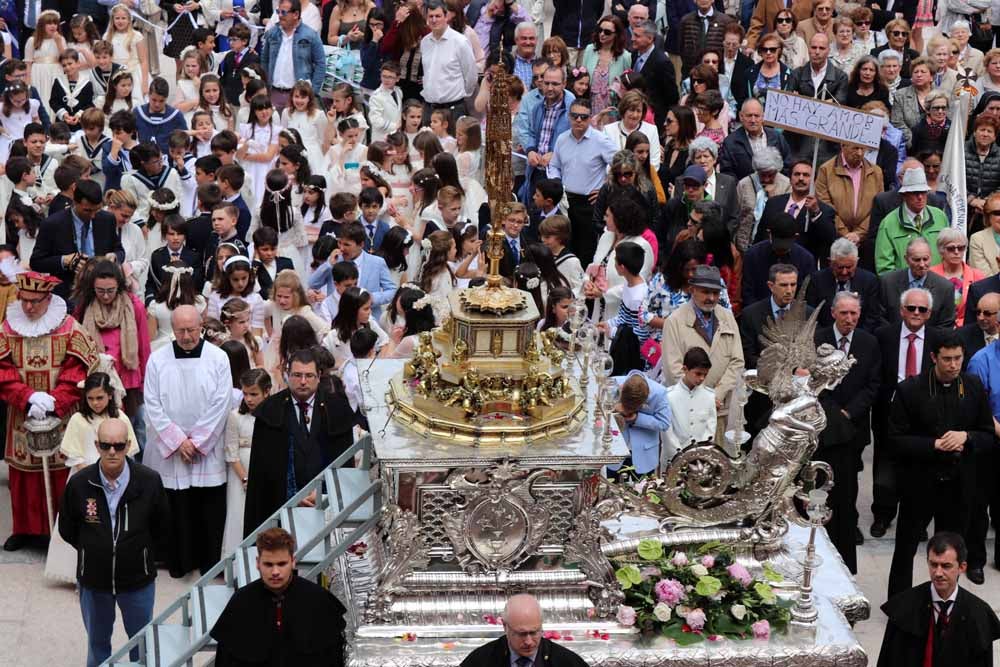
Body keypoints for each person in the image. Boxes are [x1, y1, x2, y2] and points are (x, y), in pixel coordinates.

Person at [886, 334, 995, 597]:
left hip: (959, 485)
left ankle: (946, 601)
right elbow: (895, 440)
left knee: (951, 550)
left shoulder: (973, 386)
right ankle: (899, 602)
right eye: (947, 359)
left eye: (958, 358)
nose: (954, 365)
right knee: (906, 547)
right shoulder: (910, 390)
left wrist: (966, 437)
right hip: (920, 483)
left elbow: (988, 434)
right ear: (934, 357)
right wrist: (934, 444)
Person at [58, 417, 169, 667]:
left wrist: (139, 553)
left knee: (141, 646)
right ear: (96, 445)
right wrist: (94, 549)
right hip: (94, 582)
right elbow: (67, 527)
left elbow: (162, 527)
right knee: (97, 646)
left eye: (118, 446)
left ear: (128, 445)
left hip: (137, 581)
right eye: (106, 445)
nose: (112, 452)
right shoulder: (80, 484)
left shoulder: (149, 481)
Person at [0, 272, 97, 552]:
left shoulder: (70, 328)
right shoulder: (7, 328)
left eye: (35, 301)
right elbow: (2, 370)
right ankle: (25, 530)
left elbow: (80, 370)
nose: (28, 307)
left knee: (61, 474)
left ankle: (60, 532)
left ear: (48, 298)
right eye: (24, 300)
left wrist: (56, 400)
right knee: (23, 475)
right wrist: (27, 397)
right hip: (22, 415)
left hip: (61, 416)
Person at [142, 304, 232, 577]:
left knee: (208, 507)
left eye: (191, 330)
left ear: (201, 327)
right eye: (180, 331)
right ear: (173, 329)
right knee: (176, 508)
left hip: (206, 449)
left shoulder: (218, 358)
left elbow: (222, 402)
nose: (186, 336)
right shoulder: (158, 359)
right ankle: (179, 562)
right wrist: (178, 441)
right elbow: (152, 404)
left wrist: (198, 441)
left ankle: (209, 563)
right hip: (173, 450)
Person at [243, 348, 355, 535]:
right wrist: (292, 495)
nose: (303, 381)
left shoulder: (337, 409)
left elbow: (346, 465)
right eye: (297, 375)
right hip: (281, 509)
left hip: (327, 507)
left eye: (309, 375)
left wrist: (324, 492)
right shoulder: (269, 411)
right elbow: (261, 473)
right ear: (287, 375)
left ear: (319, 376)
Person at [211, 527, 348, 666]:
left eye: (282, 564)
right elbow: (225, 660)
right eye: (268, 564)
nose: (275, 572)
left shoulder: (318, 600)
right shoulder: (241, 602)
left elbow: (334, 657)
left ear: (293, 562)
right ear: (258, 563)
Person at [814, 291, 881, 568]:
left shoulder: (868, 342)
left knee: (849, 481)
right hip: (823, 427)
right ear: (833, 313)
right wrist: (833, 415)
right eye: (844, 313)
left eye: (854, 313)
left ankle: (848, 525)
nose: (849, 319)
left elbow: (873, 385)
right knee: (822, 480)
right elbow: (812, 382)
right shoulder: (817, 339)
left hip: (854, 426)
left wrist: (848, 413)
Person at [871, 288, 944, 539]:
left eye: (922, 309)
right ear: (902, 310)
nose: (916, 313)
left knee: (920, 469)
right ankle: (883, 514)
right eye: (911, 308)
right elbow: (876, 374)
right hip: (888, 412)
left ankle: (917, 521)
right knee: (884, 466)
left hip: (924, 413)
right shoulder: (884, 335)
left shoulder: (937, 338)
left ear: (929, 313)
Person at [879, 532, 1000, 667]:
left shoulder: (979, 614)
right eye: (933, 564)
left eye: (946, 566)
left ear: (962, 567)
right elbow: (888, 660)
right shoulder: (905, 607)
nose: (938, 573)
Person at [662, 265, 744, 444]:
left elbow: (738, 361)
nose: (711, 298)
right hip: (688, 412)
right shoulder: (674, 322)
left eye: (715, 293)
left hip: (721, 408)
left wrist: (717, 395)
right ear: (692, 290)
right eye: (705, 292)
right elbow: (673, 371)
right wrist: (703, 398)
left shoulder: (727, 317)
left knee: (721, 457)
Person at [75, 260, 151, 434]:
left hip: (128, 380)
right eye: (100, 291)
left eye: (110, 290)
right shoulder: (85, 307)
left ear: (119, 287)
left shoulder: (134, 306)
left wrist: (144, 385)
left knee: (131, 431)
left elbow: (144, 347)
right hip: (97, 382)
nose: (105, 296)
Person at [546, 97, 617, 266]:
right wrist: (556, 183)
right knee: (564, 247)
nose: (578, 120)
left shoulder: (600, 140)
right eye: (574, 116)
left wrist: (606, 188)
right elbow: (554, 165)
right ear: (569, 117)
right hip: (565, 202)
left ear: (590, 118)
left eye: (583, 117)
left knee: (586, 250)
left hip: (589, 204)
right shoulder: (562, 139)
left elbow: (621, 165)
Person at [29, 179, 125, 300]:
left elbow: (119, 251)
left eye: (97, 210)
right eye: (87, 210)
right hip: (68, 295)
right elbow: (36, 262)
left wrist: (114, 257)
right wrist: (64, 261)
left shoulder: (107, 219)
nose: (93, 215)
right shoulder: (52, 224)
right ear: (74, 202)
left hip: (101, 295)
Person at [459, 593, 588, 667]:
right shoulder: (481, 660)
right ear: (505, 626)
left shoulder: (567, 662)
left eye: (534, 632)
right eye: (521, 634)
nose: (528, 642)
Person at [755, 160, 836, 263]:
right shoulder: (773, 203)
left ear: (814, 181)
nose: (801, 178)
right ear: (790, 179)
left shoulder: (823, 210)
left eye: (806, 175)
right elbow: (760, 236)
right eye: (797, 174)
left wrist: (816, 213)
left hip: (802, 265)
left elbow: (829, 239)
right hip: (770, 262)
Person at [875, 169, 950, 275]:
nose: (920, 197)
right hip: (903, 284)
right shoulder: (888, 223)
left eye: (923, 192)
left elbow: (948, 254)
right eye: (915, 193)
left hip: (937, 282)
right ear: (904, 195)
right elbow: (884, 268)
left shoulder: (940, 217)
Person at [814, 142, 883, 253]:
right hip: (834, 240)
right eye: (855, 148)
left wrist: (859, 234)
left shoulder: (876, 172)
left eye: (863, 149)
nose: (860, 153)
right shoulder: (826, 170)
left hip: (866, 242)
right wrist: (845, 234)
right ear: (843, 146)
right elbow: (825, 206)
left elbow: (878, 207)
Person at [260, 0, 326, 113]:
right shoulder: (272, 33)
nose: (280, 16)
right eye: (278, 12)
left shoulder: (310, 35)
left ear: (296, 14)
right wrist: (265, 85)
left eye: (284, 12)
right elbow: (264, 60)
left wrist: (312, 92)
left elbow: (321, 64)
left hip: (299, 97)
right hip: (274, 93)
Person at [806, 238, 885, 332]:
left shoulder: (870, 281)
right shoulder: (816, 280)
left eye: (849, 267)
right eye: (840, 267)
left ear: (856, 262)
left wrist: (855, 338)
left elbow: (873, 317)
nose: (844, 272)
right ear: (830, 262)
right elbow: (811, 315)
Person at [740, 212, 816, 307]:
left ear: (795, 237)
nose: (780, 251)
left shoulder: (805, 259)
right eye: (777, 246)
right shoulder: (753, 255)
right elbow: (747, 292)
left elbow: (807, 296)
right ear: (769, 234)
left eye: (785, 247)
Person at [880, 238, 956, 330]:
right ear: (906, 259)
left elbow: (946, 325)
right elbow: (880, 319)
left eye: (925, 259)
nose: (922, 264)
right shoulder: (888, 282)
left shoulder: (945, 288)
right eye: (916, 260)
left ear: (931, 257)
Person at [421, 0, 478, 121]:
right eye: (431, 16)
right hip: (429, 109)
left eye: (438, 16)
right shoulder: (424, 42)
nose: (434, 20)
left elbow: (471, 75)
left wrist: (461, 96)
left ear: (446, 17)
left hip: (453, 109)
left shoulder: (460, 42)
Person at [718, 99, 792, 181]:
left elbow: (787, 165)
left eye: (757, 116)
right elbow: (727, 172)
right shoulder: (730, 142)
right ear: (741, 116)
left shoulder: (777, 137)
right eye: (749, 116)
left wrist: (779, 184)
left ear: (763, 117)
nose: (753, 120)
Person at [629, 20, 677, 133]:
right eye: (633, 34)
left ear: (650, 39)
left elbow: (672, 96)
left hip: (655, 119)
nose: (632, 38)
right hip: (635, 114)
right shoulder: (634, 55)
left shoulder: (662, 62)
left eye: (637, 36)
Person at [931, 228, 984, 328]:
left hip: (967, 329)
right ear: (941, 251)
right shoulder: (930, 275)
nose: (956, 252)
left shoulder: (977, 275)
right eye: (951, 248)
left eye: (961, 248)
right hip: (937, 329)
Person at [677, 0, 735, 77]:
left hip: (717, 75)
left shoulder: (726, 21)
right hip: (691, 73)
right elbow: (681, 47)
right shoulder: (686, 21)